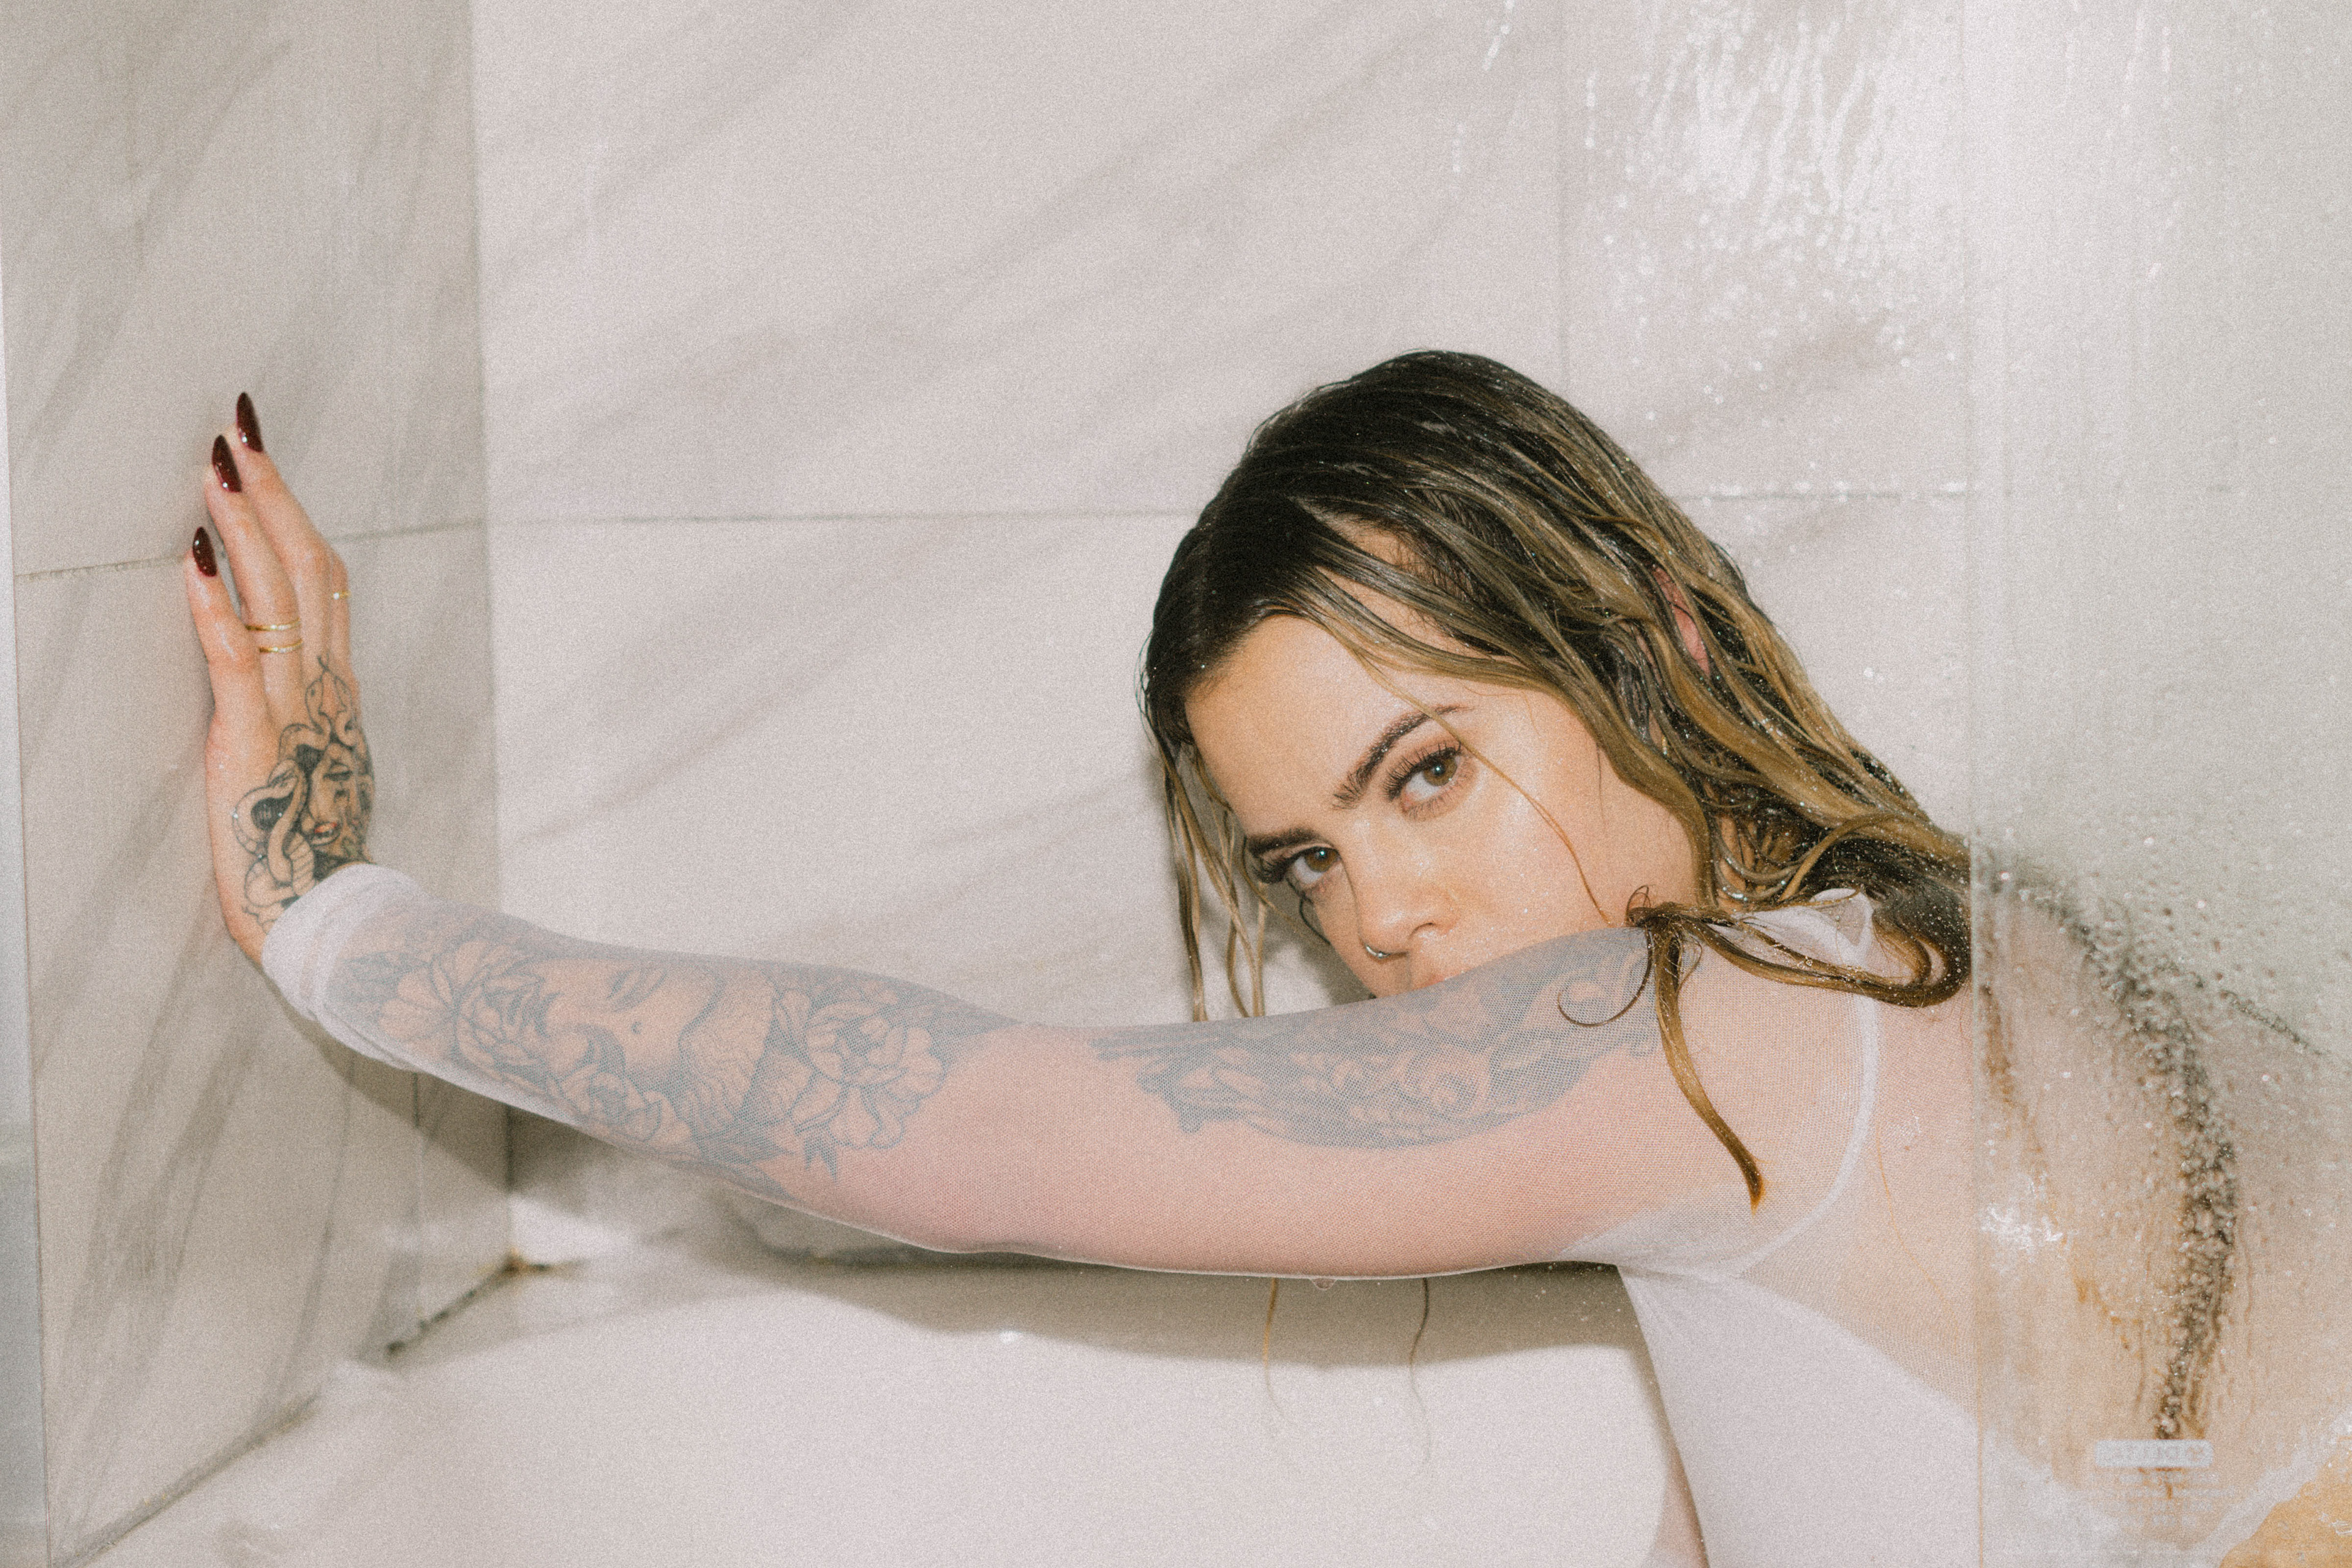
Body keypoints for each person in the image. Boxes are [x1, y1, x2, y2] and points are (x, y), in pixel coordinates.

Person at [183, 358, 2351, 1566]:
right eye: (1305, 858)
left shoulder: (1735, 1030)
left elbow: (982, 1126)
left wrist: (333, 919)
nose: (1377, 918)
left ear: (1660, 642)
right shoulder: (1938, 963)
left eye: (1429, 774)